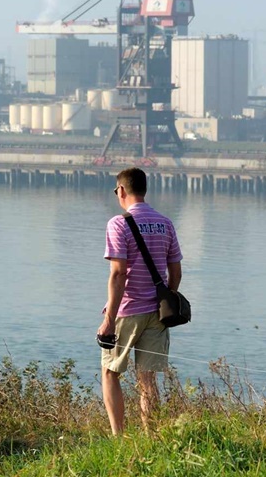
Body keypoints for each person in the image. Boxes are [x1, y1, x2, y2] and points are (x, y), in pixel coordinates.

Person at [97, 167, 183, 435]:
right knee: (148, 380)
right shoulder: (165, 223)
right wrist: (164, 300)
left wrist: (109, 319)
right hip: (157, 313)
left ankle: (119, 438)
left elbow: (118, 273)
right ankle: (150, 437)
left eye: (116, 191)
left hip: (128, 309)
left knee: (110, 373)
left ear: (121, 190)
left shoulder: (118, 224)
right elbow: (176, 272)